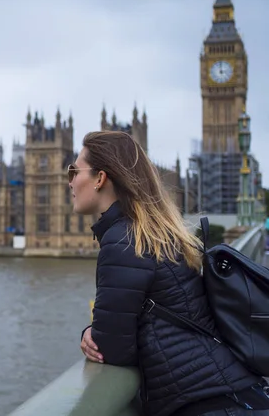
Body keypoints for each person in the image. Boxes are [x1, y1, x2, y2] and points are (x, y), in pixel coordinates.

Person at [68, 131, 269, 416]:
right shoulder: (155, 233)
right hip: (232, 390)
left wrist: (90, 333)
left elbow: (112, 349)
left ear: (100, 178)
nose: (71, 181)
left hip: (207, 404)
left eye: (74, 171)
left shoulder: (123, 241)